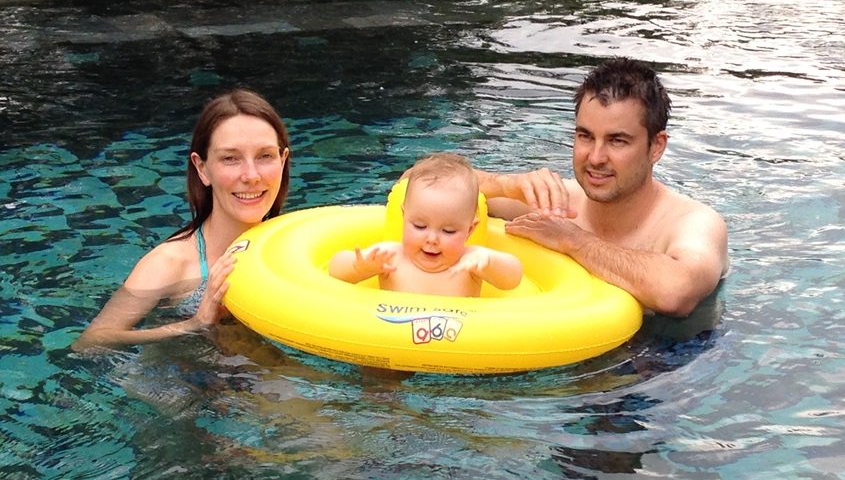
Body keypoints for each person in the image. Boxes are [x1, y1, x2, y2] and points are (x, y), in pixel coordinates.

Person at [475, 57, 729, 317]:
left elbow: (676, 291)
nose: (595, 158)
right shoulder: (556, 201)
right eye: (585, 136)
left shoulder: (695, 222)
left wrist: (574, 240)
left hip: (675, 353)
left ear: (656, 147)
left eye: (617, 141)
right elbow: (437, 184)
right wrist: (505, 185)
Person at [74, 89, 291, 351]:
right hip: (190, 383)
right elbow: (92, 341)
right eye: (230, 158)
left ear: (283, 160)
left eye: (265, 156)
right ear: (202, 168)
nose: (251, 175)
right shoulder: (171, 262)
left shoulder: (295, 250)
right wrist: (194, 324)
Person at [328, 153, 522, 297]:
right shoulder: (390, 256)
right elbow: (335, 268)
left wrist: (489, 263)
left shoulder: (471, 261)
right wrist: (360, 267)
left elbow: (513, 278)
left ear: (470, 229)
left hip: (459, 346)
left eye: (448, 231)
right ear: (404, 217)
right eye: (420, 226)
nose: (432, 239)